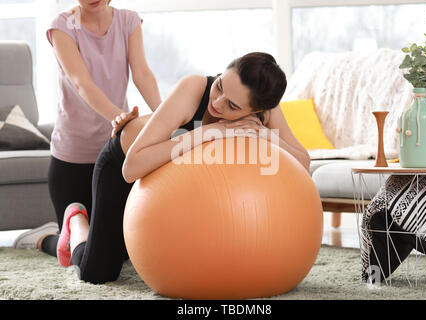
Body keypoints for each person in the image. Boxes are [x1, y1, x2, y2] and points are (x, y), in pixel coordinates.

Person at [24, 52, 310, 284]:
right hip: (122, 165)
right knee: (97, 273)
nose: (218, 102)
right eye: (221, 85)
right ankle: (74, 221)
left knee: (126, 252)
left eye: (233, 106)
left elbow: (303, 162)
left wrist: (263, 136)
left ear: (253, 111)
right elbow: (130, 167)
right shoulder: (194, 88)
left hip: (165, 189)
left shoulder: (266, 111)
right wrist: (210, 133)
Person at [13, 0, 161, 253]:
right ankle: (41, 238)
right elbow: (81, 82)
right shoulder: (62, 26)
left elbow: (142, 74)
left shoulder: (128, 21)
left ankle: (61, 233)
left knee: (123, 250)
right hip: (72, 157)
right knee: (80, 250)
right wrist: (118, 117)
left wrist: (166, 117)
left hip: (113, 155)